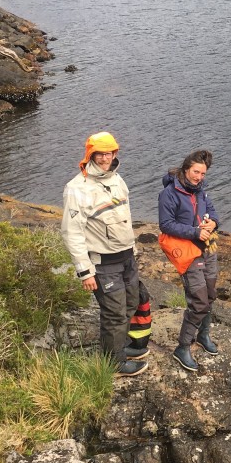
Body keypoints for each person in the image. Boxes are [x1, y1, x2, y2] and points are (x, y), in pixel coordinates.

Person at [60, 131, 147, 375]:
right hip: (103, 264)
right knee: (114, 313)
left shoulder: (117, 179)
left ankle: (119, 347)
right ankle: (114, 362)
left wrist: (133, 250)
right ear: (91, 155)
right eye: (100, 153)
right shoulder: (76, 189)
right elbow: (71, 233)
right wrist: (85, 272)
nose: (105, 158)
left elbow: (124, 218)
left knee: (131, 304)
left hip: (126, 257)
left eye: (109, 153)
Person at [157, 149, 220, 372]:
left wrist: (213, 223)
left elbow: (212, 212)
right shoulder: (169, 194)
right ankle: (183, 347)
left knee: (211, 294)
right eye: (196, 172)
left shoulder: (201, 191)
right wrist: (195, 232)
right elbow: (165, 224)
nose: (199, 177)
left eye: (203, 173)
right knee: (199, 300)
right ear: (186, 169)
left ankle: (203, 336)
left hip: (208, 249)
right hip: (187, 252)